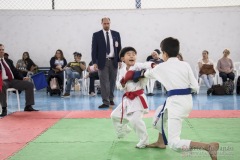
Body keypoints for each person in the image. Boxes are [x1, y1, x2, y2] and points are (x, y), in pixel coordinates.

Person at [140, 37, 219, 160]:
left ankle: (208, 147)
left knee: (174, 143)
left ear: (164, 53)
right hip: (187, 101)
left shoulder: (161, 67)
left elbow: (146, 74)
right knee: (160, 115)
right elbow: (195, 87)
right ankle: (160, 142)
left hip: (176, 103)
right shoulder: (185, 64)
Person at [111, 47, 154, 148]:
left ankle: (144, 141)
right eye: (129, 54)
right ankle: (124, 131)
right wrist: (124, 80)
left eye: (134, 54)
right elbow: (118, 85)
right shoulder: (121, 70)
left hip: (138, 97)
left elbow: (145, 64)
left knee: (135, 120)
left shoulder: (138, 66)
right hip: (127, 98)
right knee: (115, 116)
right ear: (122, 58)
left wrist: (153, 64)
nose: (132, 56)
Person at [0, 44, 38, 117]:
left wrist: (22, 78)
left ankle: (28, 106)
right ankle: (4, 109)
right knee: (2, 85)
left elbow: (15, 71)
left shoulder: (8, 61)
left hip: (12, 80)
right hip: (3, 81)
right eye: (0, 50)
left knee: (29, 84)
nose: (2, 51)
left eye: (3, 50)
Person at [91, 17, 122, 108]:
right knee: (104, 82)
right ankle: (105, 101)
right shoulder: (96, 35)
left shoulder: (116, 34)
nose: (106, 25)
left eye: (108, 23)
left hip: (114, 61)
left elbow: (119, 48)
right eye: (104, 23)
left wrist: (120, 60)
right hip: (102, 61)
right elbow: (94, 50)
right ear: (101, 24)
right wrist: (95, 62)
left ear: (110, 23)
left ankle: (111, 99)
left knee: (112, 81)